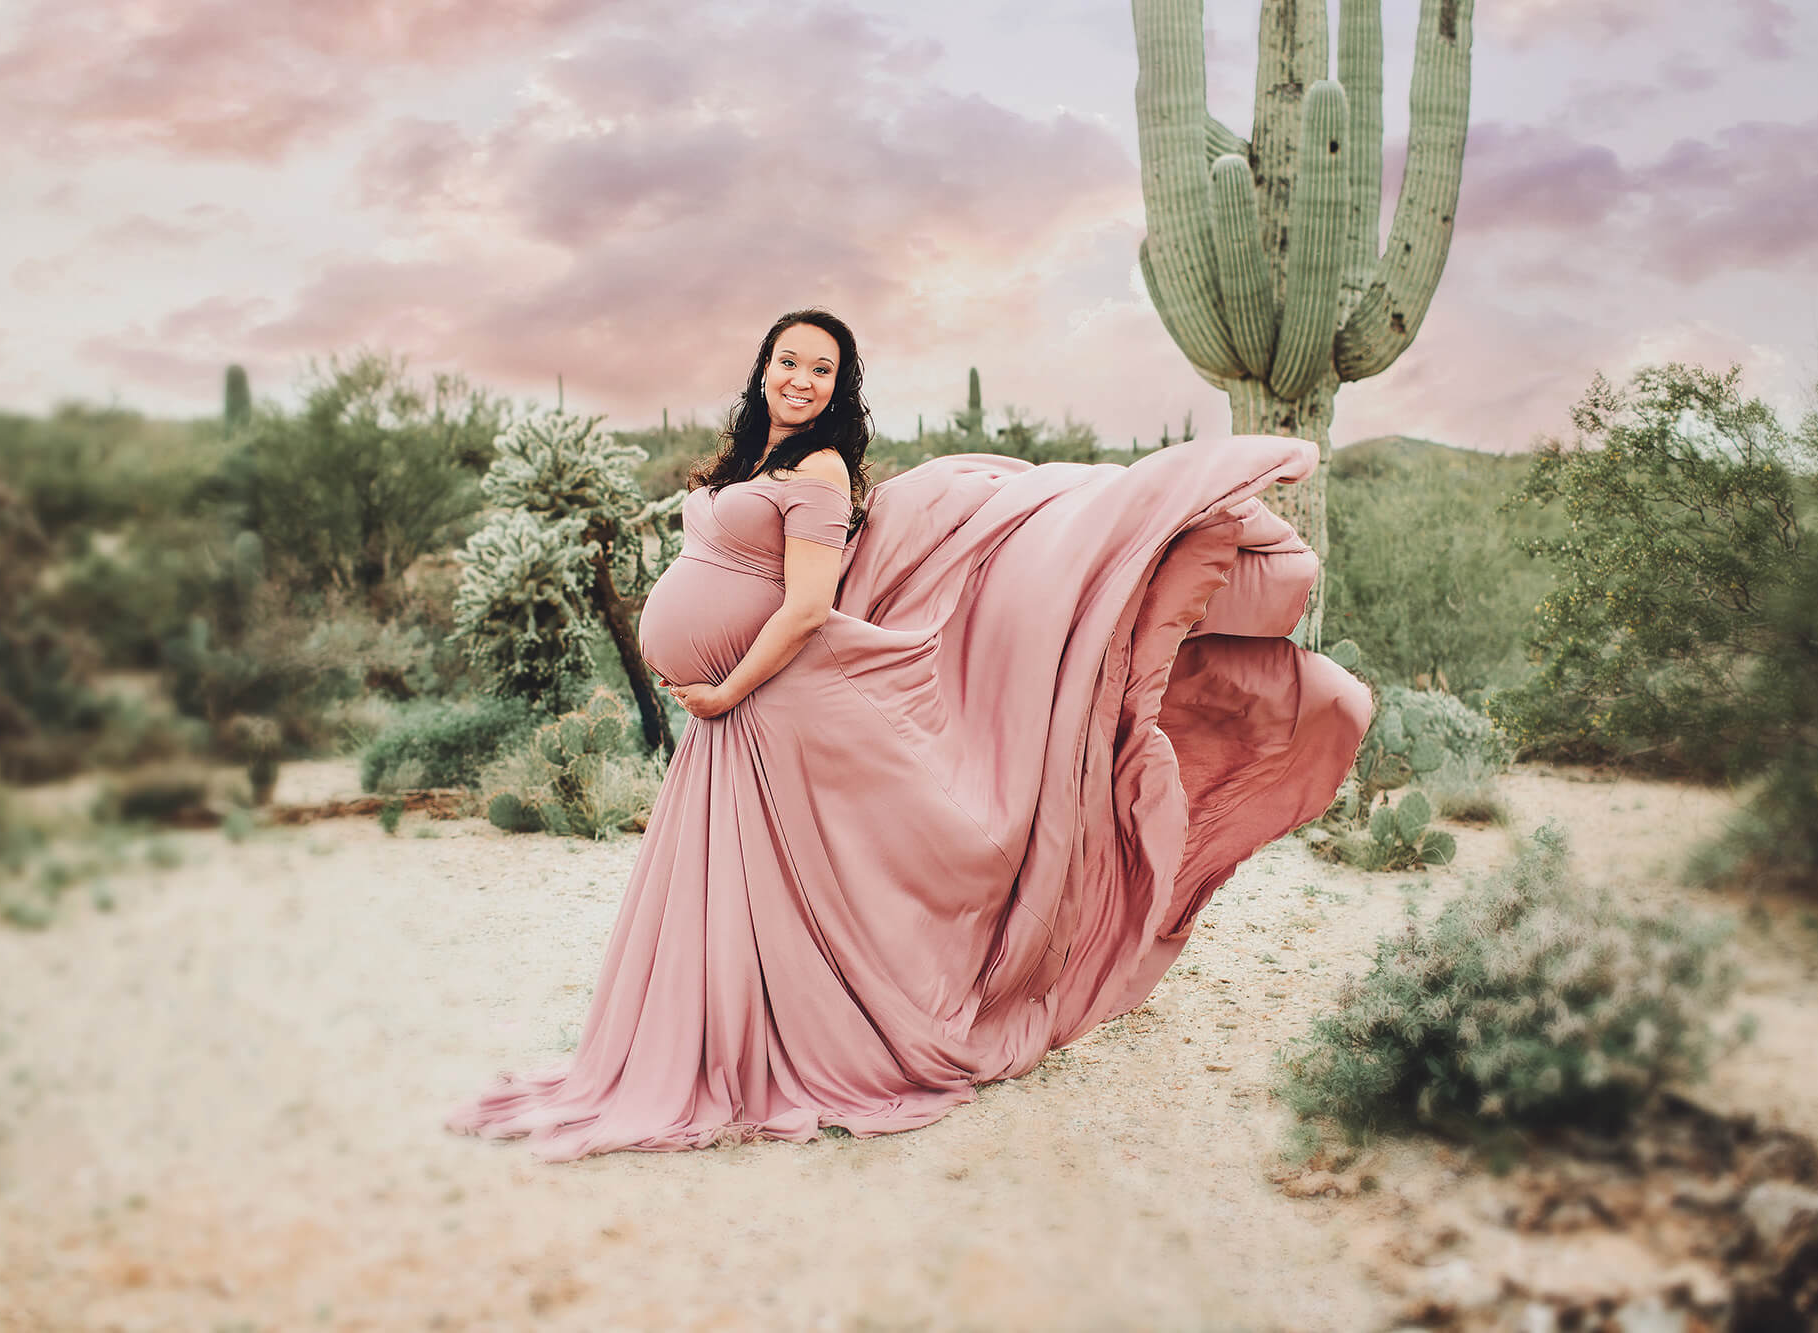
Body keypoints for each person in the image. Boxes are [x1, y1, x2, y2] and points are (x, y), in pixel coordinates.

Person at [445, 308, 1372, 1160]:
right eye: (788, 360)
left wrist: (727, 687)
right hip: (737, 715)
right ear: (763, 369)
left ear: (840, 389)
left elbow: (808, 607)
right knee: (742, 897)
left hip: (766, 702)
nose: (801, 378)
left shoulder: (816, 471)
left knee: (803, 892)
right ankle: (720, 1045)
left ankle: (798, 1049)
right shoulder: (751, 461)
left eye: (822, 369)